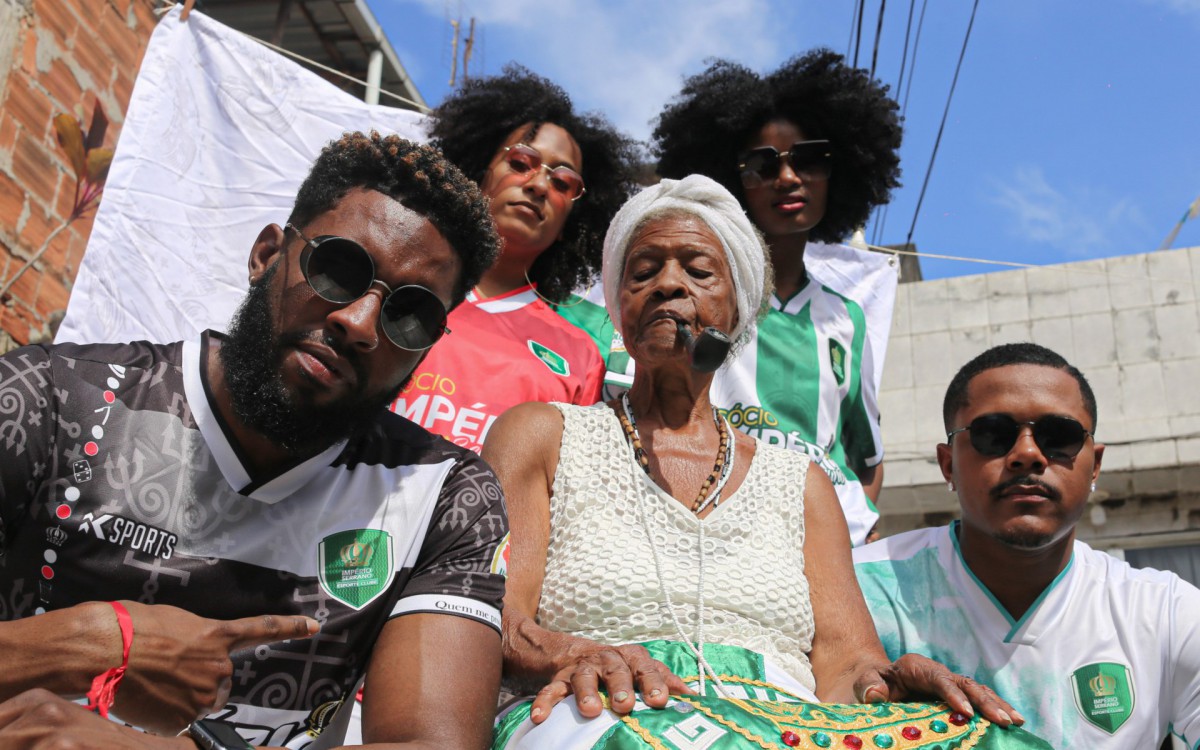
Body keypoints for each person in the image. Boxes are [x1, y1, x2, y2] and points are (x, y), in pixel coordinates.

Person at [483, 176, 1044, 750]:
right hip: (605, 707)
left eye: (697, 271)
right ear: (619, 306)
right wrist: (577, 653)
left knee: (994, 741)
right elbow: (496, 617)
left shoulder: (800, 482)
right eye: (643, 270)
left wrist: (895, 683)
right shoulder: (543, 435)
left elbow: (848, 669)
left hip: (784, 725)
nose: (668, 284)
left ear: (738, 309)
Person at [0, 132, 508, 749]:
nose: (358, 324)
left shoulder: (442, 497)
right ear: (267, 255)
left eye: (410, 314)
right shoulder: (53, 401)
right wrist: (97, 640)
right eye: (339, 269)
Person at [853, 343, 1200, 748]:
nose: (1027, 454)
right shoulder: (857, 590)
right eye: (993, 434)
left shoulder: (1167, 613)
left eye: (1059, 436)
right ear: (948, 464)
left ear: (1096, 466)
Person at [391, 66, 638, 451]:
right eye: (522, 162)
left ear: (574, 219)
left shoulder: (583, 356)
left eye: (563, 183)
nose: (539, 185)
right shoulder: (394, 289)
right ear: (477, 171)